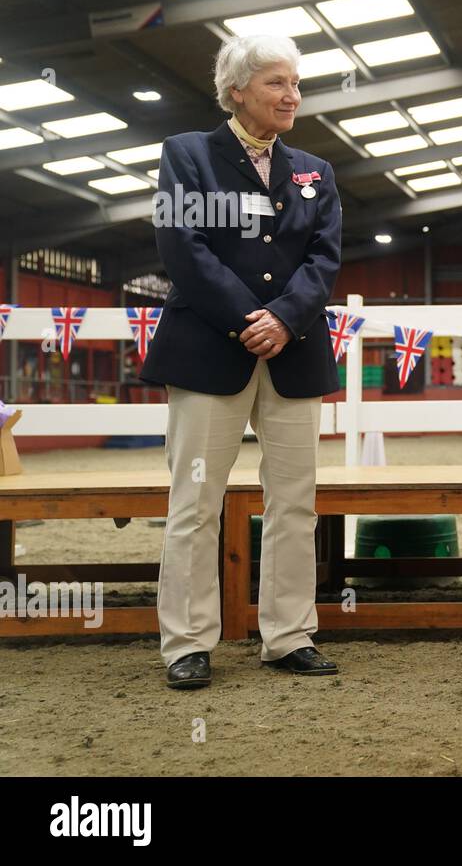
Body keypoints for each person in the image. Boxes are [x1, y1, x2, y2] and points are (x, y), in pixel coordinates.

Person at [141, 34, 342, 689]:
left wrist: (285, 317)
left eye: (296, 84)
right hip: (207, 351)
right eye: (276, 84)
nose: (292, 96)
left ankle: (288, 635)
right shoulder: (187, 155)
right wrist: (248, 319)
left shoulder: (317, 170)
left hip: (295, 352)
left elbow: (324, 258)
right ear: (237, 91)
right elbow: (183, 248)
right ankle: (187, 644)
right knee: (194, 500)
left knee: (295, 503)